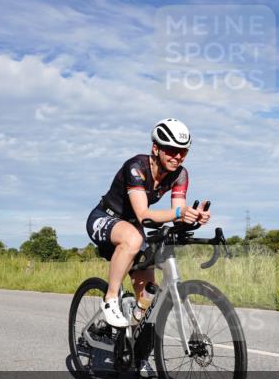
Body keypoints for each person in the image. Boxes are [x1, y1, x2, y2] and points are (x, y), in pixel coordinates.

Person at [86, 118, 210, 327]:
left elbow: (176, 212)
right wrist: (180, 212)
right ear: (156, 148)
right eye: (171, 150)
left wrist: (193, 216)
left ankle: (133, 346)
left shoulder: (180, 174)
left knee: (148, 297)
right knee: (134, 239)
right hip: (105, 217)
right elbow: (144, 214)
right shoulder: (136, 167)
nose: (178, 156)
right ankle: (110, 298)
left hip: (132, 225)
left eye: (183, 151)